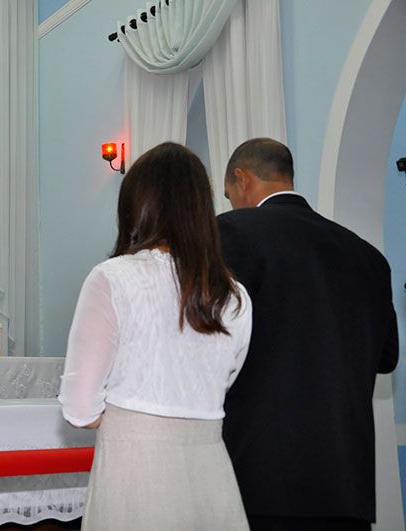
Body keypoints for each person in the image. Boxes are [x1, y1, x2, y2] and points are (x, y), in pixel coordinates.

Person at [59, 142, 253, 530]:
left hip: (136, 470)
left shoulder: (112, 278)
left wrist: (132, 417)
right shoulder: (233, 295)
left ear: (136, 206)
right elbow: (225, 380)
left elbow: (79, 410)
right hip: (210, 469)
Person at [217, 138, 399, 531]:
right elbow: (387, 358)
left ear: (241, 179)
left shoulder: (233, 231)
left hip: (261, 476)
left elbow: (211, 336)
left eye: (229, 195)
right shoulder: (368, 256)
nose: (231, 204)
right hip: (347, 485)